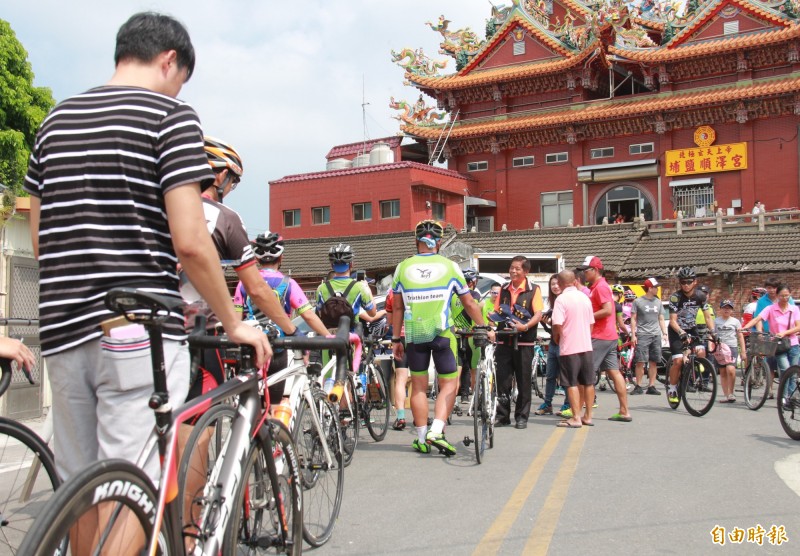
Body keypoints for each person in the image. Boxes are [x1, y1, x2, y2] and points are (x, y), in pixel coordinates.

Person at [24, 12, 269, 483]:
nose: (177, 92)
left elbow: (40, 242)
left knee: (81, 484)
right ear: (169, 60)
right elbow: (192, 243)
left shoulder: (55, 120)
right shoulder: (170, 116)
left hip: (61, 327)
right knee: (131, 488)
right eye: (179, 82)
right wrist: (234, 323)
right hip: (137, 331)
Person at [183, 137, 298, 401]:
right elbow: (256, 288)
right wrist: (293, 331)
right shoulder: (223, 217)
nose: (232, 188)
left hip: (147, 326)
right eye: (234, 182)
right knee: (199, 420)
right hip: (198, 329)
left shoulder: (160, 207)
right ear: (222, 175)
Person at [391, 220, 492, 455]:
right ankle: (437, 429)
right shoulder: (450, 266)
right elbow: (468, 302)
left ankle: (422, 438)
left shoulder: (402, 267)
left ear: (416, 240)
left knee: (417, 387)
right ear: (438, 242)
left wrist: (396, 340)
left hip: (415, 336)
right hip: (443, 335)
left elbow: (396, 309)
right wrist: (483, 325)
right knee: (449, 383)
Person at [233, 231, 328, 405]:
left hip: (250, 349)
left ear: (257, 259)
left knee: (249, 408)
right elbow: (308, 315)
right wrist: (328, 336)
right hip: (278, 348)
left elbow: (237, 318)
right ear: (281, 257)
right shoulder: (288, 283)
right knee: (274, 406)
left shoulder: (243, 283)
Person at [491, 256, 544, 429]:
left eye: (517, 269)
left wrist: (526, 326)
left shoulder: (533, 289)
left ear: (526, 271)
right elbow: (496, 310)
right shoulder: (504, 289)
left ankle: (522, 417)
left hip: (524, 342)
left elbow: (538, 314)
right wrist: (490, 321)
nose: (513, 271)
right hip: (504, 341)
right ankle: (502, 415)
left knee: (523, 381)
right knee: (502, 381)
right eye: (511, 268)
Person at [578, 256, 632, 422]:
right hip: (609, 336)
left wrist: (587, 316)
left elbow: (608, 310)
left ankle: (583, 414)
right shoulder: (597, 286)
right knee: (614, 373)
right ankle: (624, 411)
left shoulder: (600, 287)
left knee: (585, 375)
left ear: (595, 270)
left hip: (599, 336)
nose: (584, 274)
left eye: (586, 270)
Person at [551, 270, 595, 428]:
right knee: (588, 382)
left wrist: (557, 337)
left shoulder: (561, 299)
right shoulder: (585, 298)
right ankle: (588, 416)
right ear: (574, 281)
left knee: (571, 383)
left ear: (561, 283)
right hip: (586, 345)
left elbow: (557, 323)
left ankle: (576, 417)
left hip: (569, 346)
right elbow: (591, 323)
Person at [743, 284, 800, 403]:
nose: (784, 298)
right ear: (777, 296)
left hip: (793, 343)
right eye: (782, 295)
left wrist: (785, 332)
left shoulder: (794, 309)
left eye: (787, 296)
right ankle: (783, 397)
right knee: (785, 369)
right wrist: (744, 327)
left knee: (794, 371)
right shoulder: (771, 309)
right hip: (778, 344)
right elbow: (757, 319)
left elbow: (798, 327)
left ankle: (791, 396)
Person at [666, 267, 714, 405]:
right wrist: (681, 332)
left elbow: (708, 317)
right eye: (682, 282)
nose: (685, 284)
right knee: (678, 361)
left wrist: (713, 331)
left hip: (692, 328)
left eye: (688, 281)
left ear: (694, 282)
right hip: (676, 330)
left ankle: (695, 368)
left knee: (701, 351)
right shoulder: (676, 297)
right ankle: (673, 388)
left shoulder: (700, 296)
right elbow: (673, 321)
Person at [316, 243, 376, 331]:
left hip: (329, 338)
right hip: (351, 338)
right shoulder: (360, 287)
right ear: (351, 264)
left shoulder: (321, 288)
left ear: (332, 265)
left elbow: (319, 314)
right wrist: (368, 289)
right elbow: (372, 313)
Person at [453, 268, 485, 405]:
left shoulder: (453, 295)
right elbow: (476, 309)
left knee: (456, 369)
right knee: (473, 368)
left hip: (455, 334)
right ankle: (474, 398)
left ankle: (452, 400)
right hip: (471, 335)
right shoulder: (474, 295)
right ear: (473, 281)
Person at [630, 278, 667, 395]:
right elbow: (633, 319)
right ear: (650, 288)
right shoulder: (638, 302)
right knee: (640, 361)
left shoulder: (658, 302)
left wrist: (664, 333)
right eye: (655, 287)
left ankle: (652, 386)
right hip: (643, 334)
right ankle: (639, 386)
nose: (657, 289)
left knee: (654, 361)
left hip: (655, 335)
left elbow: (661, 318)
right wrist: (633, 335)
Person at [534, 274, 562, 415]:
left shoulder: (565, 301)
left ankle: (568, 405)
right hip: (553, 343)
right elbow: (552, 328)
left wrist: (549, 322)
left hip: (565, 343)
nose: (555, 286)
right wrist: (546, 322)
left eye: (558, 283)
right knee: (550, 375)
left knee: (565, 377)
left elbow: (563, 324)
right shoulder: (554, 303)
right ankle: (547, 403)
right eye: (552, 284)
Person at [384, 289, 411, 430]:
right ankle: (421, 417)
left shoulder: (391, 293)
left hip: (399, 336)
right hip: (417, 334)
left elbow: (389, 320)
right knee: (419, 379)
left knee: (400, 379)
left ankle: (400, 417)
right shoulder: (418, 286)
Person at [714, 299, 746, 403]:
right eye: (724, 308)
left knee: (731, 370)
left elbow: (740, 336)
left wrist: (743, 351)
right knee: (723, 371)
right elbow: (712, 335)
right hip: (720, 348)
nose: (726, 310)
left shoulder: (736, 322)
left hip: (732, 348)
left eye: (729, 308)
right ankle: (726, 395)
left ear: (732, 310)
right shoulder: (716, 321)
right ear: (720, 309)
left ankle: (731, 392)